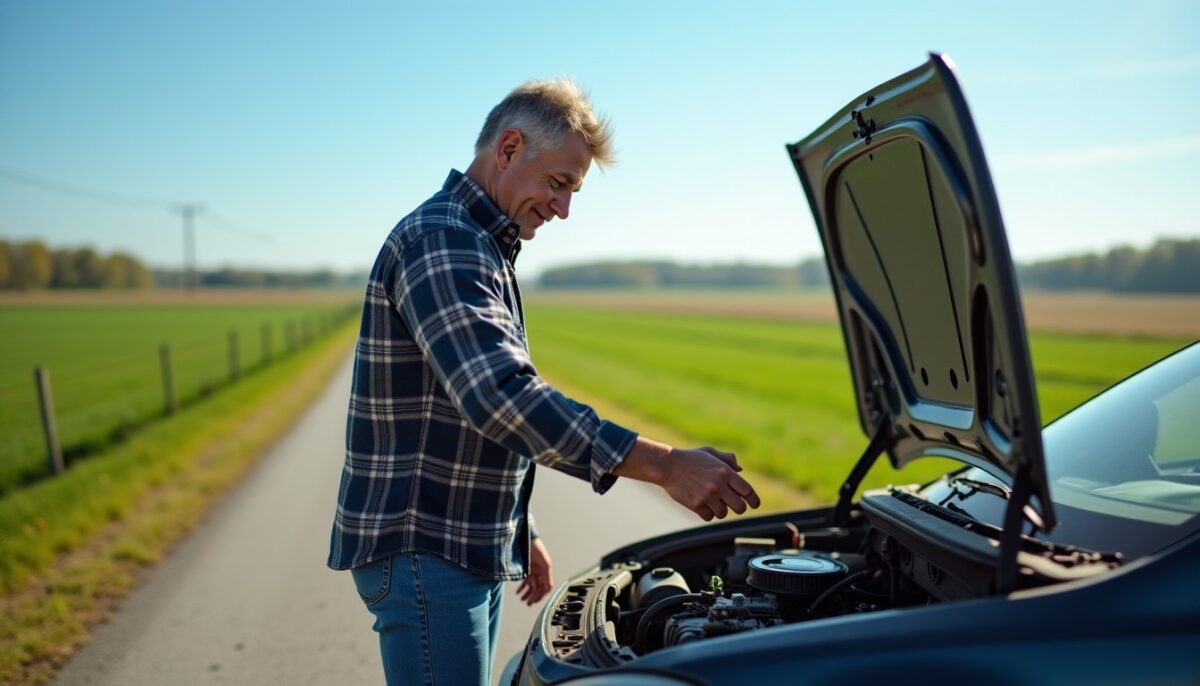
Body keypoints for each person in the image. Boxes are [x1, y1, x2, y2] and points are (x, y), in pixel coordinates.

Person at [327, 78, 759, 685]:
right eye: (558, 184)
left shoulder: (477, 243)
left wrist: (518, 526)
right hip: (427, 549)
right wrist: (665, 465)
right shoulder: (445, 240)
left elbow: (455, 412)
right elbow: (497, 396)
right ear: (507, 150)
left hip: (460, 542)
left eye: (573, 191)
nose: (563, 209)